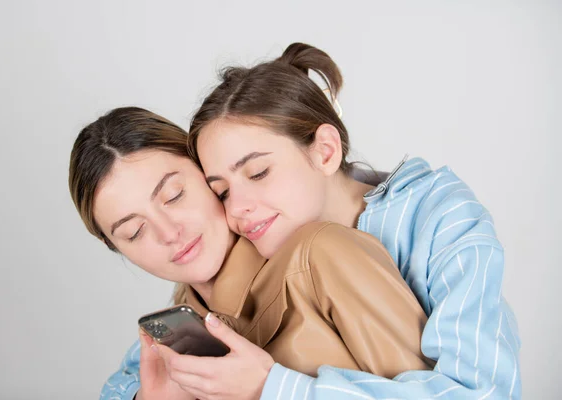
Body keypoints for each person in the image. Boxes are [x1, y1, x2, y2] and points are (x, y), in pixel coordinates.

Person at [157, 42, 521, 399]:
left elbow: (485, 392)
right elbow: (128, 379)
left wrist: (271, 388)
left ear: (325, 151)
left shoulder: (438, 217)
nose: (237, 209)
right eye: (221, 192)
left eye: (258, 172)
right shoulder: (253, 240)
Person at [68, 107, 431, 400]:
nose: (169, 233)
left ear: (206, 172)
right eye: (134, 232)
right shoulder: (176, 328)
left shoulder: (323, 255)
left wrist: (270, 390)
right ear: (117, 248)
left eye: (174, 195)